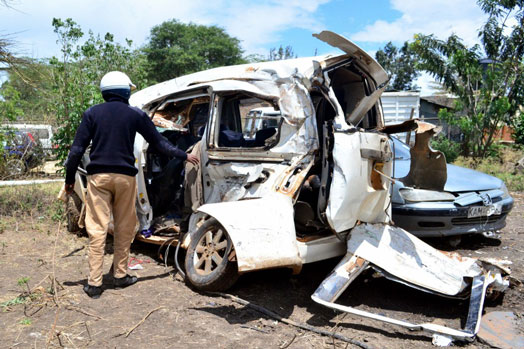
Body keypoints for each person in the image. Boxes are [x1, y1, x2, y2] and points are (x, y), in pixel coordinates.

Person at [64, 71, 199, 299]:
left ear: (105, 91)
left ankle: (94, 284)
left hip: (99, 178)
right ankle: (119, 276)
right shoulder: (135, 114)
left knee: (97, 230)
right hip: (125, 179)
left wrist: (69, 180)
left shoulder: (92, 113)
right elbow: (159, 144)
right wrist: (183, 155)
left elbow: (77, 150)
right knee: (125, 227)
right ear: (126, 91)